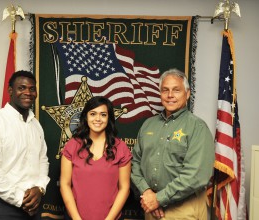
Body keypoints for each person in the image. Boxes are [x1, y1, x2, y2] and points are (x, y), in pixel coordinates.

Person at [131, 68, 215, 220]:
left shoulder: (197, 127)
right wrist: (148, 193)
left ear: (187, 94)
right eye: (165, 90)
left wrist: (159, 198)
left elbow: (196, 175)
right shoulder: (148, 125)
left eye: (176, 90)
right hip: (151, 209)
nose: (170, 95)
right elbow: (135, 163)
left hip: (185, 210)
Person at [0, 70, 50, 219]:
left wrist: (40, 188)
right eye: (21, 88)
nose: (28, 92)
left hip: (34, 205)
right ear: (10, 90)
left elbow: (43, 160)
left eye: (32, 88)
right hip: (2, 207)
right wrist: (21, 198)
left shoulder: (36, 125)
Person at [60, 96, 132, 220]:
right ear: (86, 117)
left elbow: (124, 188)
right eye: (93, 114)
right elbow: (64, 184)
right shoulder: (72, 145)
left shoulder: (121, 148)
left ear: (108, 118)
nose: (98, 119)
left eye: (103, 115)